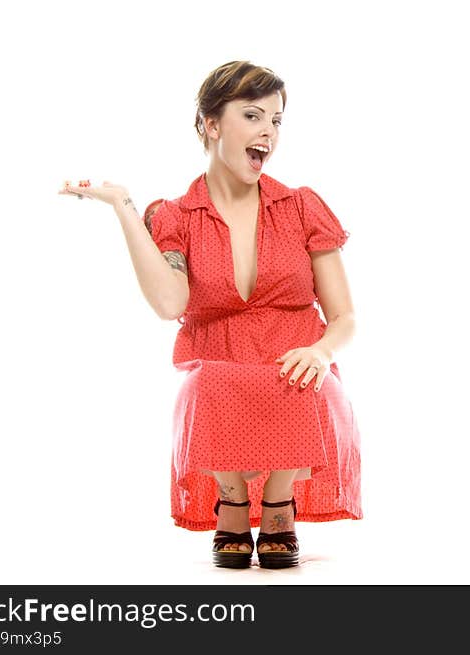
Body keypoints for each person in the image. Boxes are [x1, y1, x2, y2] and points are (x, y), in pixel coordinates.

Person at [58, 60, 362, 569]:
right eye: (253, 115)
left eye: (277, 120)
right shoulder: (176, 218)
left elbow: (346, 317)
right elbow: (169, 304)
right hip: (218, 367)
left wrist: (321, 349)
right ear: (211, 125)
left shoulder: (303, 207)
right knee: (210, 384)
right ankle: (232, 498)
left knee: (302, 379)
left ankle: (278, 500)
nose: (269, 131)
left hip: (295, 359)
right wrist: (125, 207)